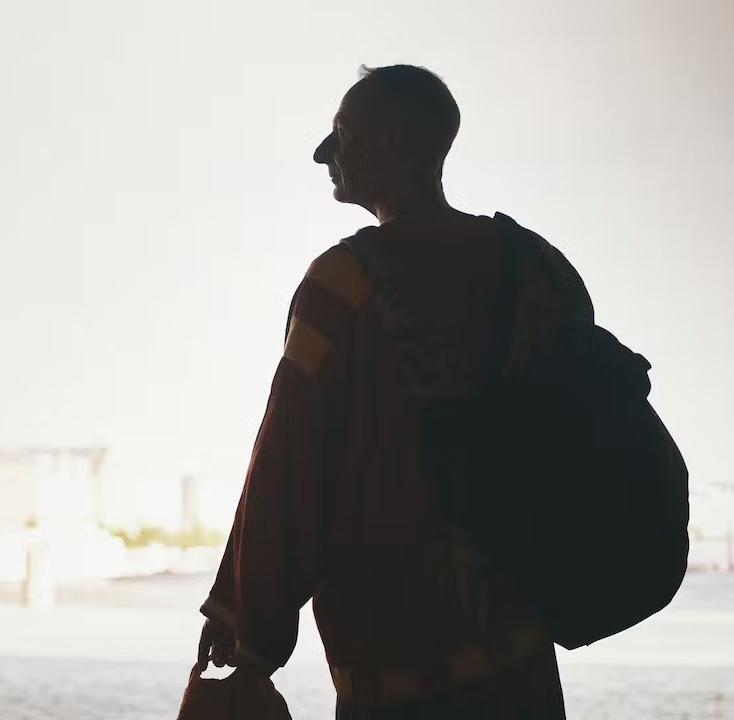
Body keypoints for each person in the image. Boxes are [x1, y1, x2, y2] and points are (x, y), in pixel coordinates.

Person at [196, 64, 591, 719]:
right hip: (519, 649)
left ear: (388, 143)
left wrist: (243, 614)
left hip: (397, 667)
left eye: (341, 134)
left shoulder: (342, 288)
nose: (325, 154)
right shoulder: (540, 268)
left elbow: (288, 469)